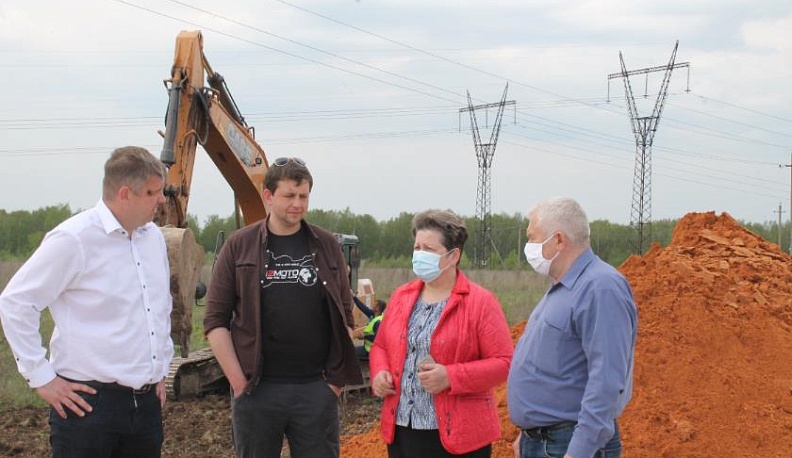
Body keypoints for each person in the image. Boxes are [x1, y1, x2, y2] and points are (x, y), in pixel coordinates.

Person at [0, 146, 173, 457]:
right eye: (153, 192)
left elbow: (159, 308)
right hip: (88, 407)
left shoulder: (153, 238)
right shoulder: (74, 238)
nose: (161, 200)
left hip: (145, 408)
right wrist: (42, 378)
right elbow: (16, 302)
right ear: (125, 194)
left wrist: (158, 370)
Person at [203, 156, 363, 458]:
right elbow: (215, 320)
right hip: (257, 391)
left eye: (303, 196)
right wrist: (238, 382)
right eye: (289, 195)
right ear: (268, 196)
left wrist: (334, 384)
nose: (297, 204)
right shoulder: (239, 246)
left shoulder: (327, 245)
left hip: (315, 390)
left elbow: (345, 311)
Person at [369, 209, 514, 458]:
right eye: (417, 247)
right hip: (403, 427)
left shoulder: (480, 302)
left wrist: (451, 376)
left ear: (453, 256)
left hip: (459, 435)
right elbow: (381, 345)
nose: (419, 255)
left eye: (429, 249)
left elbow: (504, 363)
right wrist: (380, 372)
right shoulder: (402, 297)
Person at [507, 197, 638, 458]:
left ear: (558, 240)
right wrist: (529, 432)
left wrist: (579, 451)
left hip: (568, 443)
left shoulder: (600, 287)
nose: (528, 247)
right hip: (545, 440)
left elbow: (607, 381)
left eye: (533, 238)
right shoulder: (564, 287)